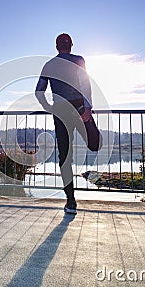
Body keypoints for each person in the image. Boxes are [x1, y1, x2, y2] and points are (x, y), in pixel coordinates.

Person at [35, 33, 101, 214]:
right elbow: (86, 84)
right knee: (94, 145)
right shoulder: (79, 60)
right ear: (71, 45)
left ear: (56, 47)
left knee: (65, 156)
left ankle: (70, 201)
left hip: (61, 112)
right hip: (79, 109)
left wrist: (48, 107)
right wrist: (88, 108)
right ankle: (71, 200)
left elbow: (39, 91)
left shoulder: (49, 65)